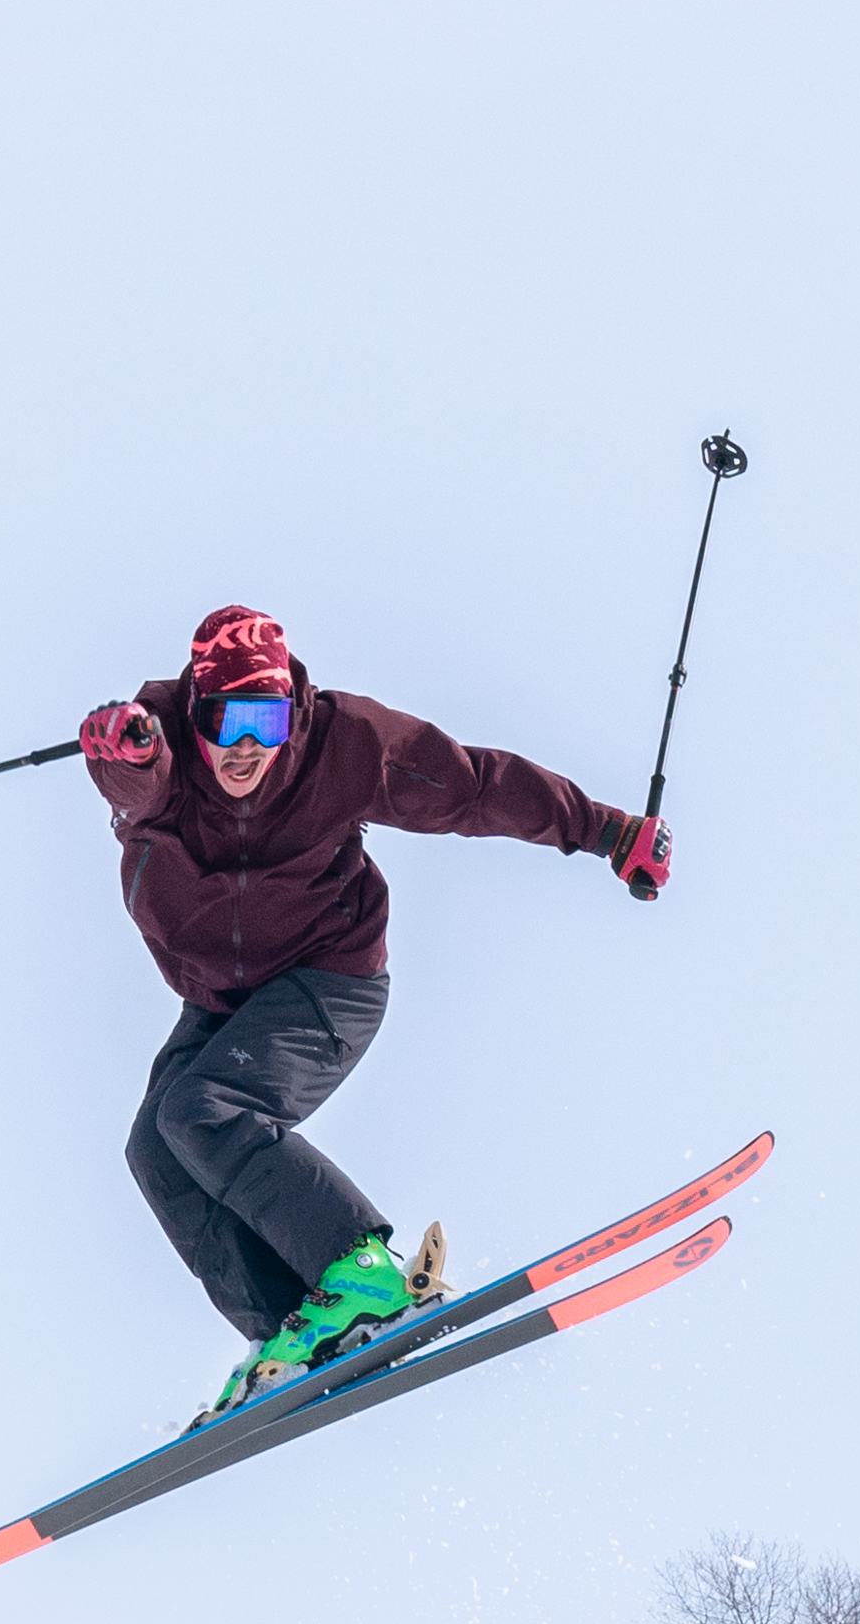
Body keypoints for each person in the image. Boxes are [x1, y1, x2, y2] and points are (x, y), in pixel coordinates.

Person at [79, 603, 671, 1424]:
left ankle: (359, 1275)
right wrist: (125, 749)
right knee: (155, 1147)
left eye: (268, 719)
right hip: (223, 1000)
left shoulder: (345, 745)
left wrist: (608, 833)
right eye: (227, 720)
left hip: (329, 979)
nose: (247, 745)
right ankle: (297, 1334)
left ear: (294, 711)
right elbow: (135, 785)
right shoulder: (164, 757)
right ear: (194, 712)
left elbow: (475, 787)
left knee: (204, 1110)